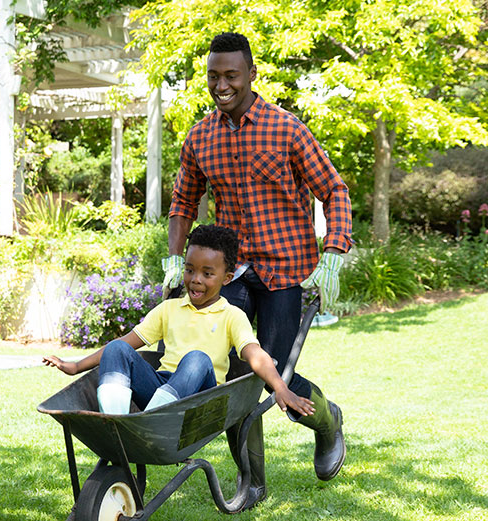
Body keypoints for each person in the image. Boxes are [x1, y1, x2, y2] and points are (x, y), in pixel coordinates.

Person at [162, 32, 352, 491]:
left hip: (286, 270)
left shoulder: (286, 129)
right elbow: (183, 204)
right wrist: (174, 258)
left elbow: (334, 190)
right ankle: (253, 483)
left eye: (231, 75)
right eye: (213, 76)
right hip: (234, 273)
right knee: (232, 369)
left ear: (251, 74)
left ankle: (327, 422)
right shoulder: (201, 137)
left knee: (274, 374)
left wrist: (333, 254)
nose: (221, 84)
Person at [44, 225, 314, 422]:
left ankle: (154, 419)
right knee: (117, 349)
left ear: (227, 278)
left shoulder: (231, 315)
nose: (196, 279)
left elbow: (255, 355)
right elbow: (127, 343)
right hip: (162, 388)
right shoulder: (169, 309)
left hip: (202, 397)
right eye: (189, 270)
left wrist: (280, 387)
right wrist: (76, 366)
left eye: (208, 274)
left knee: (197, 359)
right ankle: (119, 423)